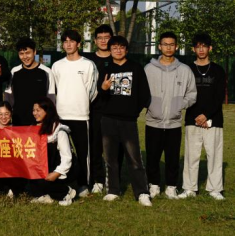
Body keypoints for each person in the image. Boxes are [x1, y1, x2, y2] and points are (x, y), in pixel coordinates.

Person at [99, 35, 152, 206]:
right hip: (108, 120)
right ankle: (113, 190)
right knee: (111, 158)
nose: (118, 50)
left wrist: (133, 112)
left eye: (121, 47)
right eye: (114, 47)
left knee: (134, 158)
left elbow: (144, 94)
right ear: (110, 50)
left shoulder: (136, 68)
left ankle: (142, 192)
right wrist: (104, 89)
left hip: (128, 121)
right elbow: (100, 97)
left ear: (126, 50)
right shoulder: (106, 69)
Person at [144, 32, 197, 200]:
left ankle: (171, 187)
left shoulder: (184, 70)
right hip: (153, 121)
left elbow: (192, 93)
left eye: (171, 44)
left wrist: (180, 105)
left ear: (177, 46)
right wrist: (151, 106)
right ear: (159, 46)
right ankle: (154, 185)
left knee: (172, 157)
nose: (168, 47)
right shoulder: (149, 69)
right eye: (165, 44)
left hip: (174, 123)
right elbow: (142, 92)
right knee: (152, 156)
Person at [51, 29, 97, 197]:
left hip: (80, 115)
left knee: (83, 152)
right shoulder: (57, 65)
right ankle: (63, 181)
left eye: (72, 41)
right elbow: (54, 90)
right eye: (65, 41)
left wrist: (81, 103)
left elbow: (92, 91)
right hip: (61, 116)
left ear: (78, 44)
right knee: (61, 152)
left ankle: (84, 184)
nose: (68, 44)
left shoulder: (88, 65)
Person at [179, 33, 226, 200]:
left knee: (214, 155)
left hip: (214, 119)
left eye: (204, 46)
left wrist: (206, 116)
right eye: (198, 46)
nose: (201, 49)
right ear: (193, 49)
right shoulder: (187, 70)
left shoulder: (218, 70)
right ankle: (189, 188)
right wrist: (197, 116)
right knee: (191, 155)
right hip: (192, 119)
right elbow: (184, 94)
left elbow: (219, 97)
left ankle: (215, 189)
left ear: (210, 48)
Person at [82, 24, 115, 194]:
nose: (103, 41)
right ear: (95, 41)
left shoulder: (118, 59)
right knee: (94, 146)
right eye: (100, 38)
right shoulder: (87, 61)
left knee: (113, 147)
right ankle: (97, 179)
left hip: (114, 110)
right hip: (93, 110)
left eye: (106, 37)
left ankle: (114, 179)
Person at [27, 98, 77, 206]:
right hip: (42, 167)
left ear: (47, 111)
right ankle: (42, 195)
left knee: (45, 180)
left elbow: (67, 157)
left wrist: (56, 173)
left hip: (57, 169)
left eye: (38, 110)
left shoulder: (59, 130)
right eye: (33, 110)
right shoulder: (33, 128)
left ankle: (66, 192)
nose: (35, 113)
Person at [5, 37, 56, 127]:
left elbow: (51, 100)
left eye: (28, 53)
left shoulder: (47, 72)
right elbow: (8, 100)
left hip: (39, 124)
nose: (25, 57)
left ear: (34, 52)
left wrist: (48, 121)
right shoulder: (14, 72)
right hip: (18, 123)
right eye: (21, 54)